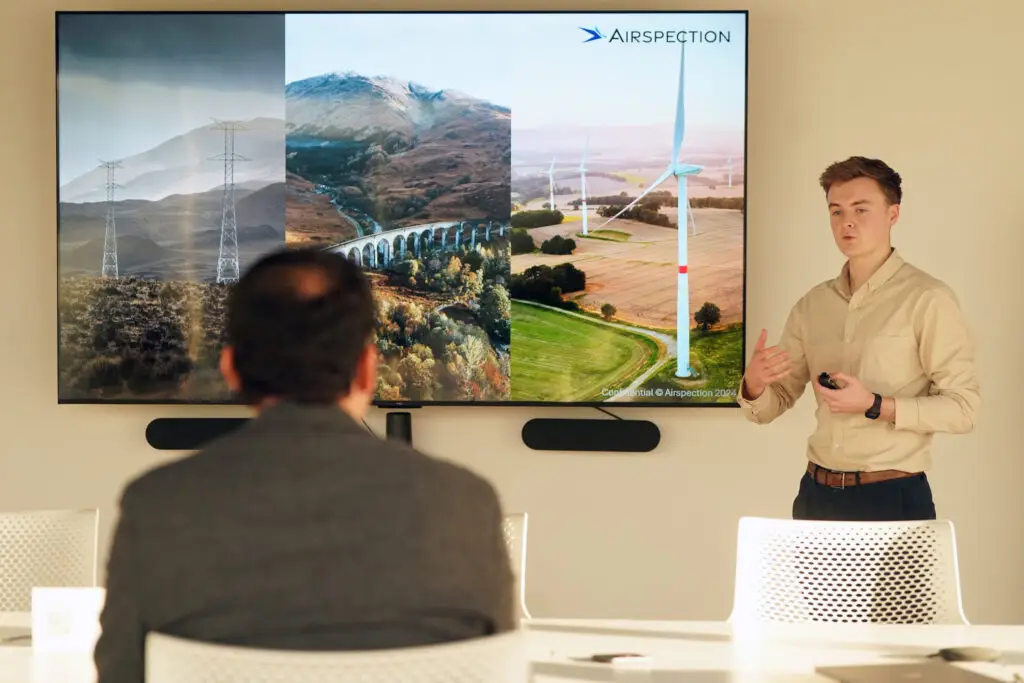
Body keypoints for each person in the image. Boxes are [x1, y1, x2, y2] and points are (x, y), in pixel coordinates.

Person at [94, 248, 515, 683]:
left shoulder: (158, 504)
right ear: (368, 370)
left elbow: (119, 674)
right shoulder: (466, 503)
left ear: (232, 369)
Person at [736, 156, 980, 521]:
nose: (846, 222)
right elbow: (776, 402)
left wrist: (874, 404)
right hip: (815, 497)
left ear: (892, 214)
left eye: (860, 209)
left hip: (893, 498)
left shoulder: (929, 299)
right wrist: (755, 386)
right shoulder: (812, 305)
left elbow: (964, 409)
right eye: (836, 211)